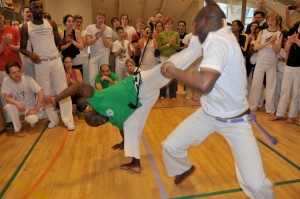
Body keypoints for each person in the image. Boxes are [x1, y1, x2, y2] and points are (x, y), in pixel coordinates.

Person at [160, 1, 274, 198]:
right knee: (170, 146)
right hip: (208, 113)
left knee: (257, 184)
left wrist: (173, 70)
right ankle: (183, 168)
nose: (194, 30)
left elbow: (204, 83)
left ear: (205, 21)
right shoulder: (224, 33)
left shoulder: (217, 40)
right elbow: (214, 13)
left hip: (235, 121)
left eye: (195, 24)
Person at [46, 34, 203, 173]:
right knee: (129, 127)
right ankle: (136, 163)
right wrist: (123, 141)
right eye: (98, 124)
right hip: (142, 100)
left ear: (94, 112)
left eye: (96, 119)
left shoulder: (97, 100)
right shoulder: (114, 120)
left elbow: (79, 86)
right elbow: (122, 129)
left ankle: (198, 44)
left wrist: (56, 98)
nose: (100, 122)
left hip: (140, 83)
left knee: (166, 69)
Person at [20, 0, 75, 131]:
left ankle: (68, 120)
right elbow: (22, 48)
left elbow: (58, 42)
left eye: (41, 7)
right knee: (45, 92)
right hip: (41, 63)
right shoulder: (26, 27)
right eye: (35, 7)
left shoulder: (51, 23)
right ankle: (53, 119)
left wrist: (66, 38)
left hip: (55, 60)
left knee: (63, 90)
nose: (39, 9)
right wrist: (30, 54)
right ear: (31, 9)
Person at [1, 62, 56, 133]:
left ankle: (32, 120)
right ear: (8, 75)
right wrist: (17, 102)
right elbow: (7, 98)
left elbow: (41, 93)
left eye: (18, 71)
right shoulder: (6, 81)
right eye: (13, 73)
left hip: (30, 107)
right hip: (18, 107)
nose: (17, 75)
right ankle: (18, 128)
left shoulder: (28, 79)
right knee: (8, 107)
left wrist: (36, 109)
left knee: (32, 119)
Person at [249, 10, 283, 115]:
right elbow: (256, 46)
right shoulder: (262, 32)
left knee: (271, 86)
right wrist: (268, 42)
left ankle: (270, 109)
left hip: (272, 62)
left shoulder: (279, 33)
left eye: (272, 20)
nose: (270, 22)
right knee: (256, 85)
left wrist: (272, 43)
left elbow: (277, 50)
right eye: (268, 19)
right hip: (260, 61)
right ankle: (252, 106)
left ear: (277, 21)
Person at [270, 21, 300, 123]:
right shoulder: (293, 33)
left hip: (299, 68)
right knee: (284, 90)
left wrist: (296, 42)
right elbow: (287, 49)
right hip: (289, 66)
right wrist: (290, 42)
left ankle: (291, 116)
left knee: (296, 92)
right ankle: (280, 113)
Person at [86, 10, 112, 87]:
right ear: (96, 18)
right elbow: (88, 42)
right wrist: (97, 36)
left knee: (105, 75)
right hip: (94, 55)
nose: (100, 20)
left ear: (105, 19)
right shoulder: (90, 27)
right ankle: (93, 94)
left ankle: (105, 93)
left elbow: (107, 44)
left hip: (104, 55)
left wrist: (102, 32)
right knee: (92, 76)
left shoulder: (109, 29)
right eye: (99, 18)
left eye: (102, 18)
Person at [157, 17, 180, 99]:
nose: (168, 25)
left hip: (173, 58)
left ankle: (173, 95)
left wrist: (172, 44)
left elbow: (178, 47)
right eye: (166, 24)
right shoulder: (160, 35)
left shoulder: (176, 34)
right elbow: (160, 48)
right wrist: (168, 44)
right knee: (163, 76)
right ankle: (162, 94)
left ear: (172, 24)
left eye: (169, 23)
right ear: (164, 25)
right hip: (163, 58)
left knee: (172, 76)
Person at [0, 12, 22, 86]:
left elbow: (20, 48)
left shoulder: (14, 30)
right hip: (3, 68)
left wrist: (9, 45)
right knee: (6, 92)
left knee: (21, 88)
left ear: (2, 17)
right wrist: (3, 43)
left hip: (17, 65)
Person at [19, 5, 35, 78]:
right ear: (22, 14)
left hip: (37, 56)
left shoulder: (36, 26)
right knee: (29, 79)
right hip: (26, 58)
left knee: (40, 78)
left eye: (30, 12)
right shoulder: (18, 28)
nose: (29, 14)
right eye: (27, 12)